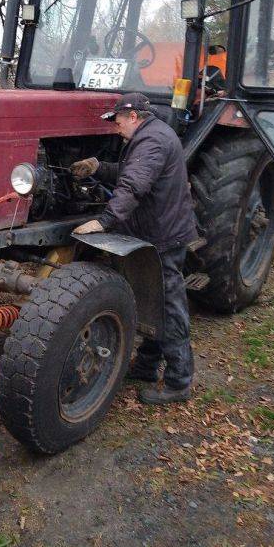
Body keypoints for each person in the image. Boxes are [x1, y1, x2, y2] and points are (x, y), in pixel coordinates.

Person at [70, 92, 197, 405]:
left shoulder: (152, 141)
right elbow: (130, 174)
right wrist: (98, 167)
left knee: (167, 303)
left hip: (163, 236)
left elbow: (134, 185)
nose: (115, 127)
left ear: (134, 117)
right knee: (149, 298)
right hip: (155, 230)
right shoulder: (150, 135)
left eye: (118, 121)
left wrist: (104, 221)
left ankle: (180, 380)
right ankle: (146, 365)